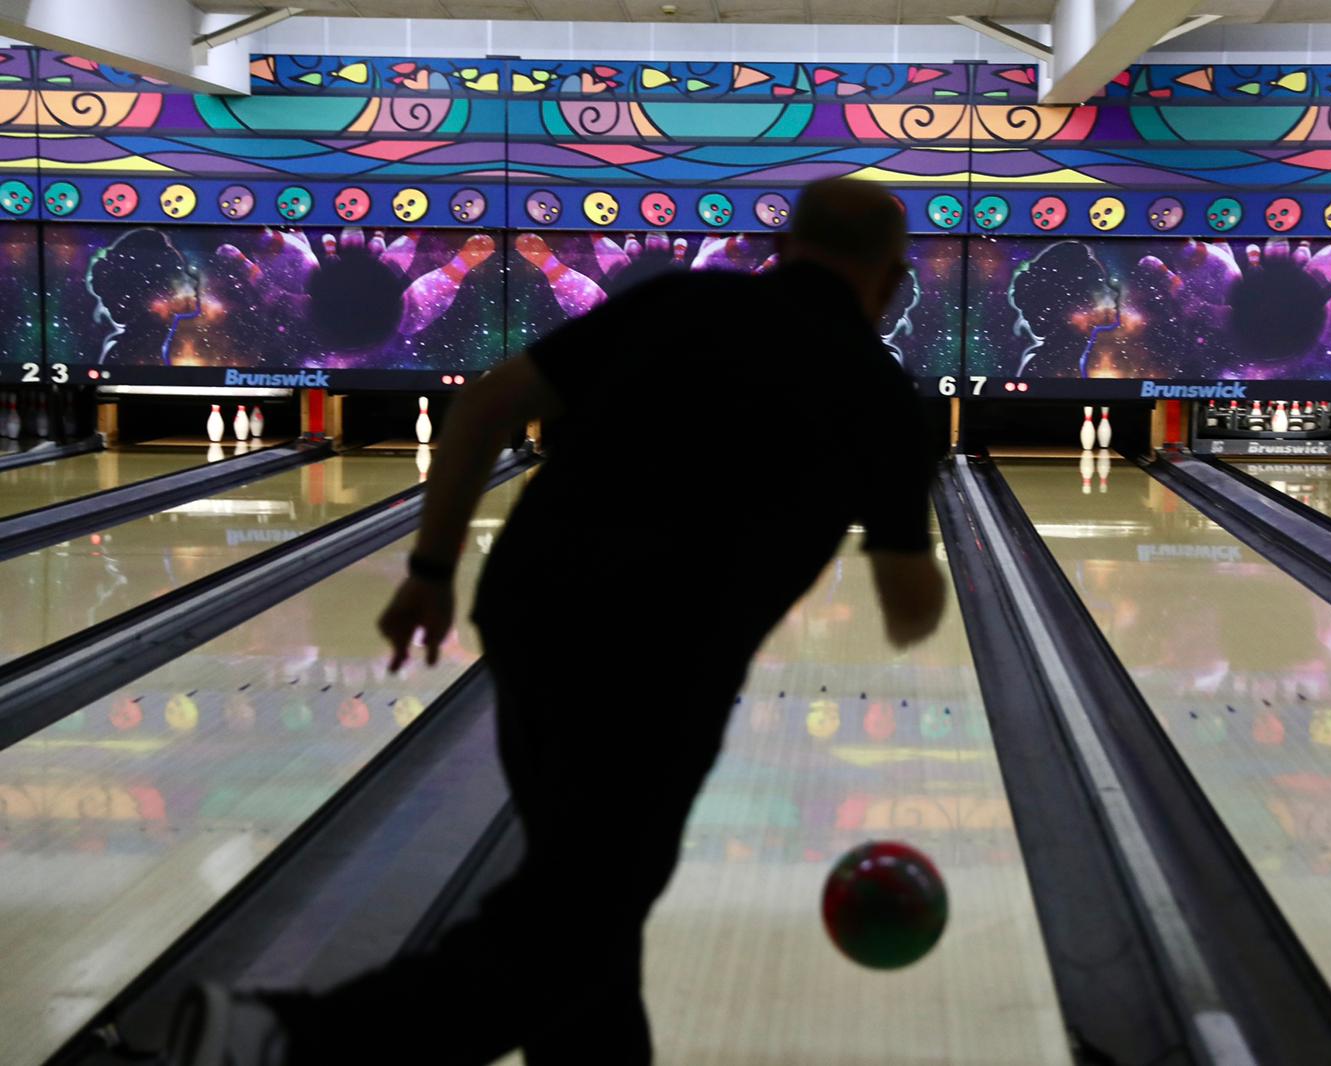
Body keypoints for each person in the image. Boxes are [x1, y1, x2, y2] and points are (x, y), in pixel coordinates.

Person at [168, 178, 946, 1066]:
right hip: (661, 667)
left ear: (782, 251)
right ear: (890, 282)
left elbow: (487, 404)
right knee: (580, 920)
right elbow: (908, 607)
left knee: (586, 902)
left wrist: (428, 570)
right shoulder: (878, 395)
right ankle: (284, 1042)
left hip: (533, 609)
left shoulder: (681, 300)